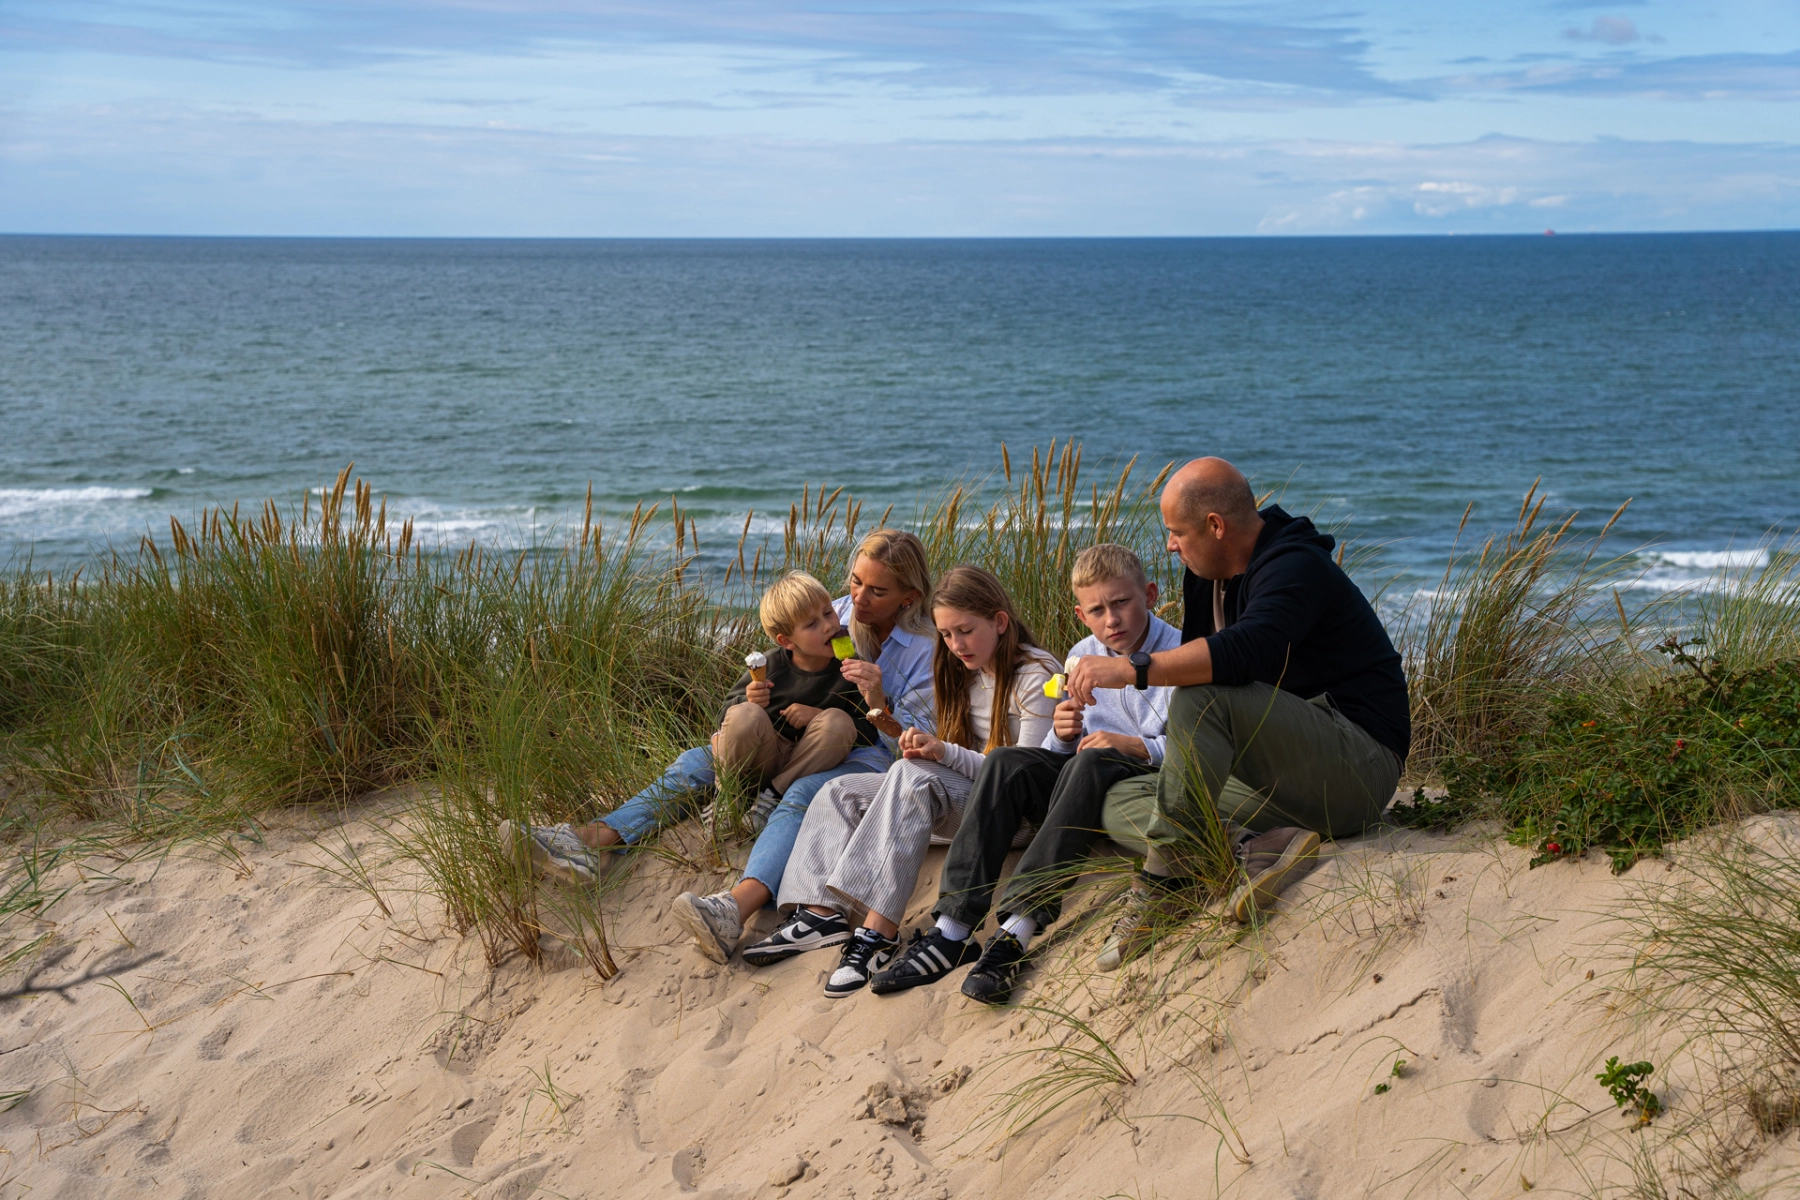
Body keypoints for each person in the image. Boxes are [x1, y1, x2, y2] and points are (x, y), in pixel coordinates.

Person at [1067, 457, 1411, 967]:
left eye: (1176, 532)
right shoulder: (1206, 576)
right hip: (1279, 777)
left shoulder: (1295, 565)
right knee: (1120, 795)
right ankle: (1260, 845)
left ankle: (1163, 882)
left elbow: (1248, 653)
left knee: (1200, 692)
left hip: (1355, 766)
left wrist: (1132, 668)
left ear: (1215, 526)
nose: (1170, 545)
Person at [502, 530, 934, 887]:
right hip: (783, 743)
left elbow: (903, 747)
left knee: (808, 777)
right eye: (855, 582)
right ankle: (593, 840)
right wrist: (739, 720)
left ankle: (744, 891)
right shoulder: (832, 613)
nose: (856, 600)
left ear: (908, 598)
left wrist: (875, 702)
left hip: (860, 752)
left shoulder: (924, 652)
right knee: (696, 762)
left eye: (877, 591)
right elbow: (767, 673)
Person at [868, 543, 1179, 1004]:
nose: (1112, 619)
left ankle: (1015, 933)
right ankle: (952, 930)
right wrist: (1062, 733)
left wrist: (1135, 745)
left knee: (1092, 759)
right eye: (1097, 609)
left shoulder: (1180, 652)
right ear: (1081, 614)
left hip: (1138, 776)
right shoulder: (1082, 655)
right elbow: (1057, 754)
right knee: (1005, 761)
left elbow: (1199, 746)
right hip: (1082, 776)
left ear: (1149, 595)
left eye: (1121, 602)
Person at [741, 566, 1060, 999]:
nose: (955, 645)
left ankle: (879, 932)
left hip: (1012, 816)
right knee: (839, 790)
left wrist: (941, 752)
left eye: (965, 631)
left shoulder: (1036, 675)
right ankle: (819, 914)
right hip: (967, 796)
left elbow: (1021, 775)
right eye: (947, 635)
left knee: (913, 776)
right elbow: (937, 747)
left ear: (1000, 622)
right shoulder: (961, 670)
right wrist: (899, 726)